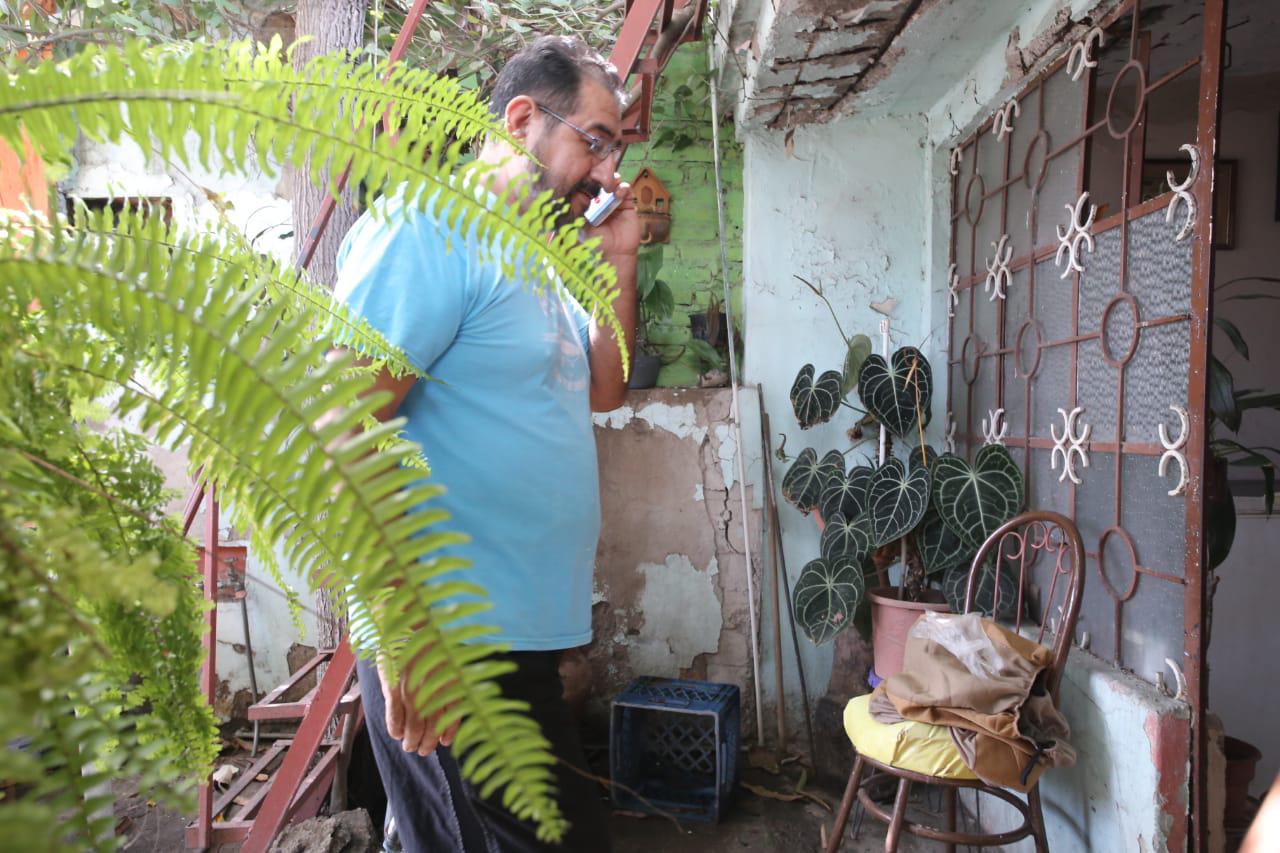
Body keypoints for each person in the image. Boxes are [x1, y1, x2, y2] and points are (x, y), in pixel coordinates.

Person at [330, 35, 637, 853]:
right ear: (522, 119)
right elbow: (337, 422)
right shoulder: (427, 229)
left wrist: (619, 260)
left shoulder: (532, 253)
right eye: (596, 140)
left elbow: (605, 386)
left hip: (510, 641)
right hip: (450, 641)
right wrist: (404, 631)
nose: (608, 171)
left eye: (617, 149)